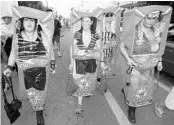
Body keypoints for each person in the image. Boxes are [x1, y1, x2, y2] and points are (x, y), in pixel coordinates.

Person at [3, 10, 55, 125]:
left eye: (32, 20)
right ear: (22, 22)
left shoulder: (43, 35)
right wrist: (9, 67)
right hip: (24, 72)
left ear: (36, 23)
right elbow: (13, 53)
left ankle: (39, 111)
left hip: (41, 71)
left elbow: (49, 48)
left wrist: (52, 63)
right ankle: (36, 105)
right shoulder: (17, 37)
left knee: (40, 92)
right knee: (30, 92)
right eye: (26, 19)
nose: (29, 23)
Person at [120, 10, 165, 123]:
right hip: (136, 68)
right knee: (135, 89)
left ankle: (126, 91)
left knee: (144, 88)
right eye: (148, 18)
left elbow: (158, 50)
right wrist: (128, 59)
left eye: (154, 19)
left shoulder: (156, 32)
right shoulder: (134, 31)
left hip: (149, 68)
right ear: (143, 18)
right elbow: (121, 46)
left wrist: (160, 61)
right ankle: (131, 110)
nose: (151, 21)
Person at [69, 16, 103, 114]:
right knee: (80, 81)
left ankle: (86, 92)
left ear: (91, 22)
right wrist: (71, 63)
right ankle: (79, 104)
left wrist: (101, 62)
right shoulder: (77, 34)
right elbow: (72, 48)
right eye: (83, 20)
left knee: (88, 80)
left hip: (91, 61)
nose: (84, 23)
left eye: (87, 21)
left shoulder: (95, 35)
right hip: (79, 61)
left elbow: (99, 49)